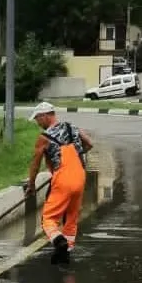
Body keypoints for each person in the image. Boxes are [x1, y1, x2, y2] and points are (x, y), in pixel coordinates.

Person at [25, 102, 93, 265]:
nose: (37, 123)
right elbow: (89, 143)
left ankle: (59, 241)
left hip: (62, 179)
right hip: (80, 176)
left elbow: (35, 163)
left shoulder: (44, 137)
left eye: (37, 119)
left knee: (48, 219)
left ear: (45, 115)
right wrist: (77, 154)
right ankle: (66, 254)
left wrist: (31, 185)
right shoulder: (72, 128)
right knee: (71, 218)